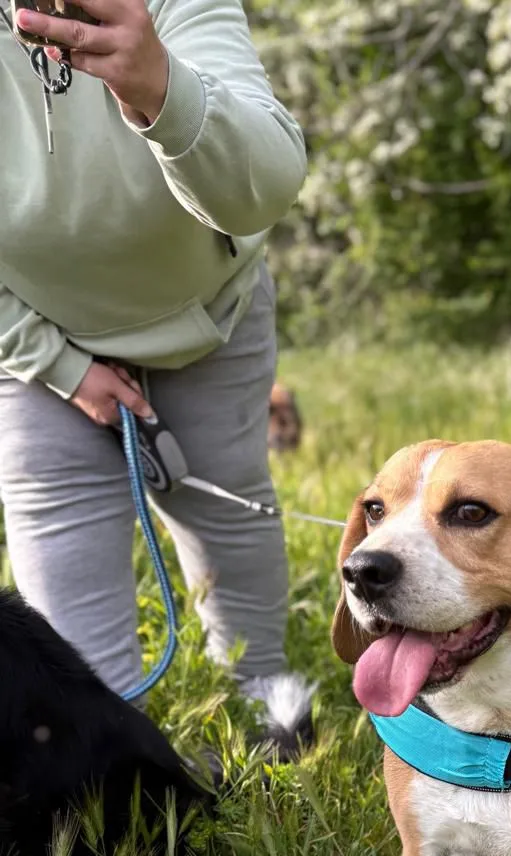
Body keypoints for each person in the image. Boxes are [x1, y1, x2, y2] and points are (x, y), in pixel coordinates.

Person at [0, 0, 312, 749]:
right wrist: (61, 367)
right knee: (78, 678)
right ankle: (111, 767)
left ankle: (269, 723)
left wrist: (160, 86)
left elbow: (269, 184)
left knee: (229, 510)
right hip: (36, 342)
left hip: (213, 316)